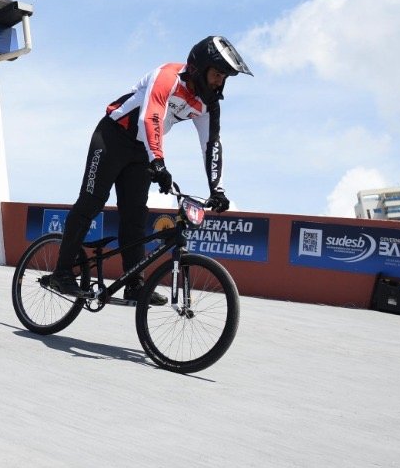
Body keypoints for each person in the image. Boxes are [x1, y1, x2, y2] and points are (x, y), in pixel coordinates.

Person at [43, 35, 250, 301]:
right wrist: (159, 162)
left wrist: (217, 189)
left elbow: (211, 145)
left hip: (144, 151)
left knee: (135, 216)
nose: (220, 82)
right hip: (113, 137)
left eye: (225, 77)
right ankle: (61, 273)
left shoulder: (208, 104)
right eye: (218, 74)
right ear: (199, 68)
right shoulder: (167, 76)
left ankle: (134, 285)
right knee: (91, 202)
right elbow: (149, 116)